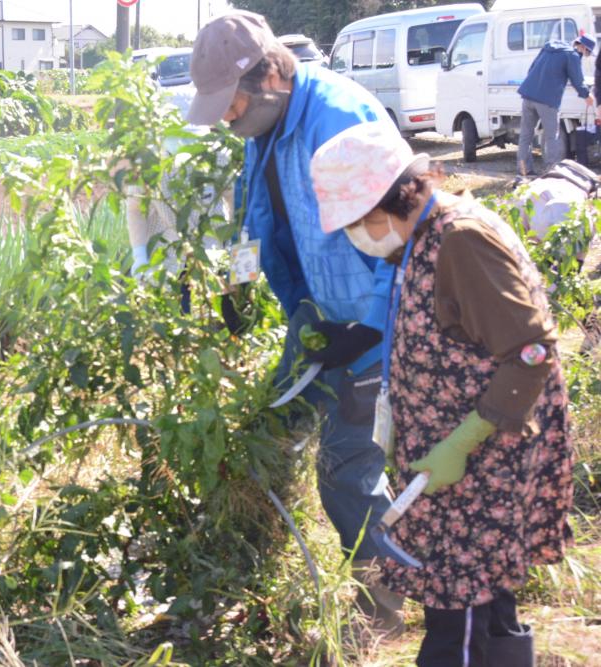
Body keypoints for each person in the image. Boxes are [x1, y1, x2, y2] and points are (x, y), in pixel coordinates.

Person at [311, 122, 573, 667]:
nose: (359, 235)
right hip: (454, 463)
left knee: (459, 615)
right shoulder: (424, 236)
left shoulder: (461, 240)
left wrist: (465, 439)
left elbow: (531, 351)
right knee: (482, 601)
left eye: (358, 222)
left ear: (389, 200)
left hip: (483, 458)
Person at [186, 11, 404, 633]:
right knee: (269, 428)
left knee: (346, 468)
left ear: (273, 74)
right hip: (315, 317)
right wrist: (238, 281)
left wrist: (367, 330)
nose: (228, 122)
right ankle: (251, 559)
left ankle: (382, 606)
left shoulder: (339, 120)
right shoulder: (268, 128)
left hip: (371, 329)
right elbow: (251, 214)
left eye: (231, 107)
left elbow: (402, 238)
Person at [517, 35, 595, 176]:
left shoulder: (549, 47)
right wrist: (587, 95)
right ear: (583, 47)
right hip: (547, 100)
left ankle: (524, 171)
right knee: (552, 136)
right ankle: (551, 171)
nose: (586, 55)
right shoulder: (572, 56)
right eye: (588, 52)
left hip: (528, 95)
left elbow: (532, 68)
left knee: (525, 136)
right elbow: (577, 80)